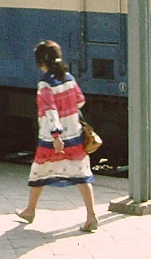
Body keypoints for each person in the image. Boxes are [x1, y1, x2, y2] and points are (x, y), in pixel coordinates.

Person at [16, 40, 98, 232]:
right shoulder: (69, 78)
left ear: (41, 62)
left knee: (39, 172)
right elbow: (80, 101)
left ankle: (30, 210)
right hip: (75, 135)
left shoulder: (45, 84)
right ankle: (91, 216)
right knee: (82, 175)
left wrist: (56, 135)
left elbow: (50, 110)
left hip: (52, 139)